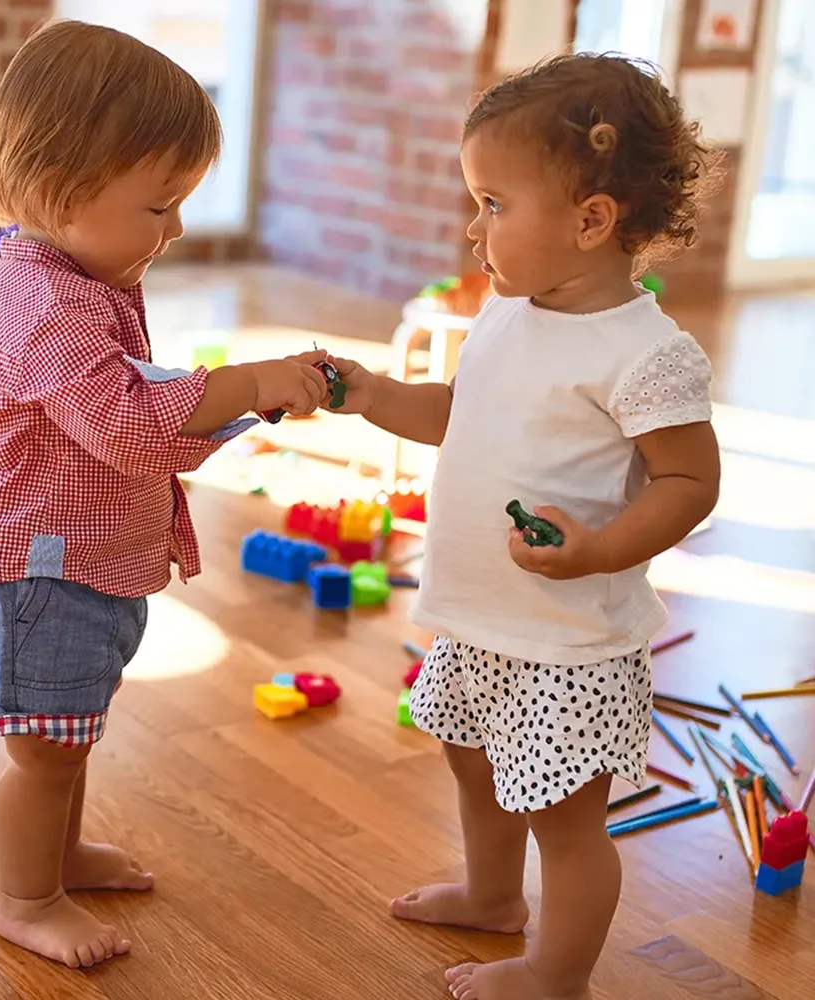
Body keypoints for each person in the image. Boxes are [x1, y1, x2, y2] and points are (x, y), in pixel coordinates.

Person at [324, 53, 721, 1000]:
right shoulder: (509, 310)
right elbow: (461, 411)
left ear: (592, 220)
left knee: (568, 824)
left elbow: (689, 481)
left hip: (570, 644)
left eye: (494, 204)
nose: (475, 228)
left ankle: (556, 974)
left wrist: (599, 548)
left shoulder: (646, 353)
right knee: (475, 765)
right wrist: (376, 396)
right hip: (480, 618)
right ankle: (495, 898)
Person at [0, 19, 327, 970]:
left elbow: (138, 404)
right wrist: (247, 380)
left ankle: (59, 857)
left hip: (81, 569)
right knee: (44, 751)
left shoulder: (77, 269)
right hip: (34, 586)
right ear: (59, 192)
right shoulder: (50, 305)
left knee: (69, 735)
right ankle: (25, 897)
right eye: (161, 207)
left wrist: (246, 403)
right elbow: (126, 424)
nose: (178, 229)